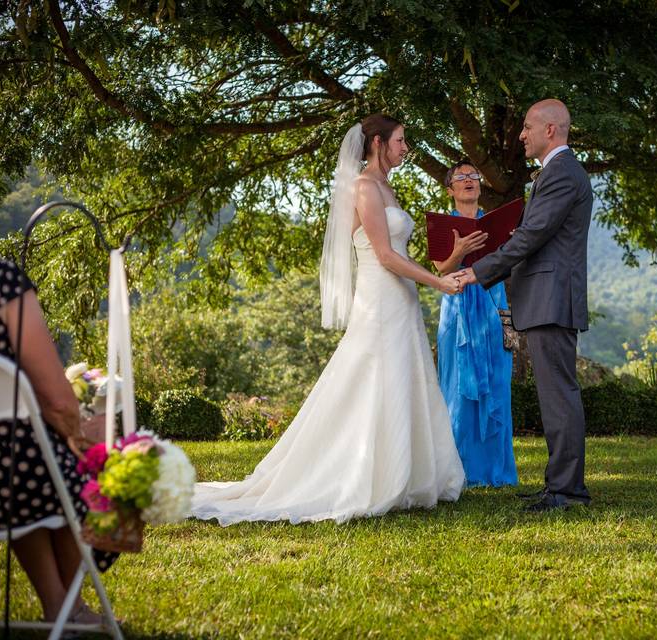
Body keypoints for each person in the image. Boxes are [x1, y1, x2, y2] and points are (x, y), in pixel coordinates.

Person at [190, 114, 466, 524]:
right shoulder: (364, 187)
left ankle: (407, 476)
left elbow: (403, 254)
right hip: (379, 297)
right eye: (400, 140)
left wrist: (451, 260)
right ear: (377, 143)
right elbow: (386, 256)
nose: (406, 148)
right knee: (370, 379)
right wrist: (438, 284)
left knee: (404, 379)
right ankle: (360, 475)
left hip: (401, 299)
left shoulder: (387, 187)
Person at [453, 99, 592, 512]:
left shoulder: (563, 173)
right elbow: (538, 232)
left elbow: (533, 237)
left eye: (527, 127)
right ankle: (559, 484)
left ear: (550, 130)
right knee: (554, 396)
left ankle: (567, 491)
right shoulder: (556, 174)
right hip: (547, 298)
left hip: (553, 300)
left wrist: (479, 272)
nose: (521, 135)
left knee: (559, 396)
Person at [0, 257, 115, 624]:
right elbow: (57, 401)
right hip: (9, 478)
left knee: (22, 459)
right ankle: (67, 605)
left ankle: (62, 605)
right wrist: (80, 435)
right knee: (116, 469)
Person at [433, 160, 518, 487]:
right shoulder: (442, 225)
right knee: (457, 389)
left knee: (497, 385)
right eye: (461, 177)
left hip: (494, 308)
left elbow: (510, 262)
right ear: (450, 188)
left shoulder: (495, 223)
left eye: (474, 176)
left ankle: (496, 473)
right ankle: (459, 473)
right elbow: (441, 270)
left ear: (480, 186)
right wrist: (460, 250)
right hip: (457, 311)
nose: (469, 180)